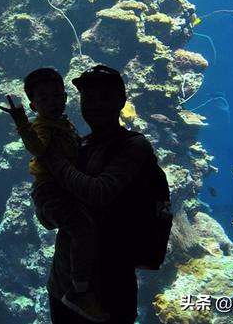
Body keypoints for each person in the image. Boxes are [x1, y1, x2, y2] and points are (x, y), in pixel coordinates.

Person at [37, 64, 159, 324]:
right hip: (62, 284)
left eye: (105, 97)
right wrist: (47, 204)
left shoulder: (134, 146)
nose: (95, 105)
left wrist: (51, 160)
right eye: (88, 98)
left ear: (121, 101)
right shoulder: (80, 145)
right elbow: (48, 220)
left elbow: (99, 193)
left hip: (108, 287)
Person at [0, 67, 109, 323]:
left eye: (57, 95)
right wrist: (21, 122)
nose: (53, 102)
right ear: (33, 104)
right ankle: (80, 291)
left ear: (65, 96)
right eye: (44, 98)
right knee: (83, 230)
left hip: (62, 189)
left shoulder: (62, 122)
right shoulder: (42, 125)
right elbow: (38, 149)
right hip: (51, 191)